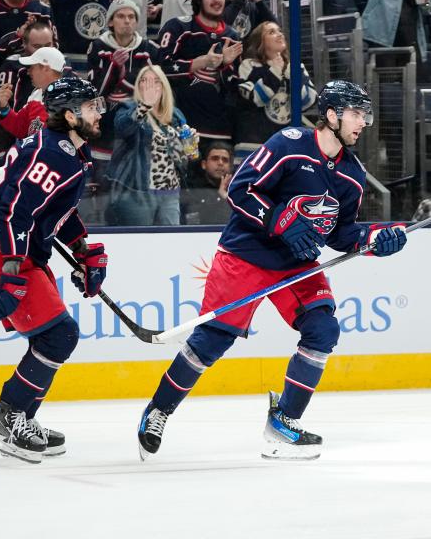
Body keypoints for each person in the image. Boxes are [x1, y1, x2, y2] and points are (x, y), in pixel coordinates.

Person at [136, 80, 408, 461]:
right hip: (246, 254)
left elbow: (343, 233)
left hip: (294, 264)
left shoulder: (353, 175)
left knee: (323, 329)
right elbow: (242, 190)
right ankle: (158, 411)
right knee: (211, 342)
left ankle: (284, 420)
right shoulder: (289, 144)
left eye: (365, 115)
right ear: (331, 115)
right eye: (356, 114)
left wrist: (377, 239)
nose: (363, 122)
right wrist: (280, 221)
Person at [0, 76, 107, 463]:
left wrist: (83, 249)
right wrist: (10, 275)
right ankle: (8, 421)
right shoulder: (53, 153)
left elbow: (56, 208)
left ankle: (21, 415)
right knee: (59, 335)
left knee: (54, 336)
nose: (99, 112)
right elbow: (15, 212)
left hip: (12, 248)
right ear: (70, 114)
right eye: (92, 107)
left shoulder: (71, 151)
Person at [156, 0, 243, 144]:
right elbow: (160, 69)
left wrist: (224, 65)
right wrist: (202, 62)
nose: (217, 0)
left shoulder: (233, 37)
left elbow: (236, 88)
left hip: (220, 131)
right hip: (180, 127)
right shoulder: (178, 27)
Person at [107, 65, 195, 226]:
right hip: (137, 191)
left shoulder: (175, 114)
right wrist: (144, 106)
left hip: (170, 191)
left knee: (170, 242)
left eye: (156, 81)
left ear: (163, 86)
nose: (150, 85)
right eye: (144, 80)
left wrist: (190, 145)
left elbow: (185, 158)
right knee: (139, 242)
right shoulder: (128, 108)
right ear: (138, 86)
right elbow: (123, 128)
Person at [233, 21, 318, 145]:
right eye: (272, 32)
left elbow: (308, 101)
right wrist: (275, 72)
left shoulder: (295, 67)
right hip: (255, 144)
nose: (279, 35)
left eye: (280, 31)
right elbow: (255, 98)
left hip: (286, 144)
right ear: (260, 42)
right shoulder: (249, 66)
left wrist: (291, 75)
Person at [0, 46, 67, 139]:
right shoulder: (36, 94)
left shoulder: (69, 101)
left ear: (45, 69)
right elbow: (20, 128)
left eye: (32, 67)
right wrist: (4, 107)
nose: (28, 72)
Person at [180, 141, 234, 225]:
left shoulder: (238, 189)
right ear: (204, 164)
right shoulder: (193, 188)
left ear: (230, 167)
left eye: (225, 160)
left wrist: (225, 198)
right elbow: (194, 223)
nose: (220, 163)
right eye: (215, 158)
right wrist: (220, 198)